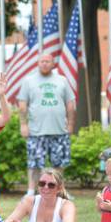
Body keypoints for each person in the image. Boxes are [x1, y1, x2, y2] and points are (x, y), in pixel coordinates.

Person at [17, 53, 75, 196]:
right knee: (34, 164)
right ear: (38, 63)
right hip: (36, 131)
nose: (44, 64)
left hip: (59, 130)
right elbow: (22, 105)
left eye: (47, 61)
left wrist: (71, 123)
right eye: (42, 61)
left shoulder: (62, 80)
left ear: (53, 63)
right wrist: (23, 124)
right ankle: (31, 191)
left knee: (59, 164)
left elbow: (70, 104)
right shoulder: (28, 81)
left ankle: (60, 191)